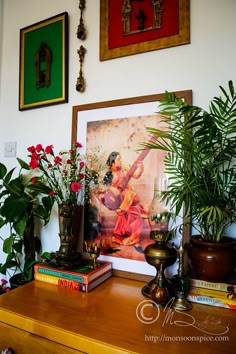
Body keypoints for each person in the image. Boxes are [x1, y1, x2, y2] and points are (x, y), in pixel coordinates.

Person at [102, 151, 148, 246]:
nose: (121, 160)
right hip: (117, 200)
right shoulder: (109, 174)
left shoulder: (124, 170)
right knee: (129, 194)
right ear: (113, 162)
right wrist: (112, 188)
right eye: (119, 159)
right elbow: (104, 188)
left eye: (121, 158)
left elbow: (136, 175)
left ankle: (119, 236)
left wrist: (141, 167)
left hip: (127, 201)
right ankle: (129, 211)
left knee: (135, 213)